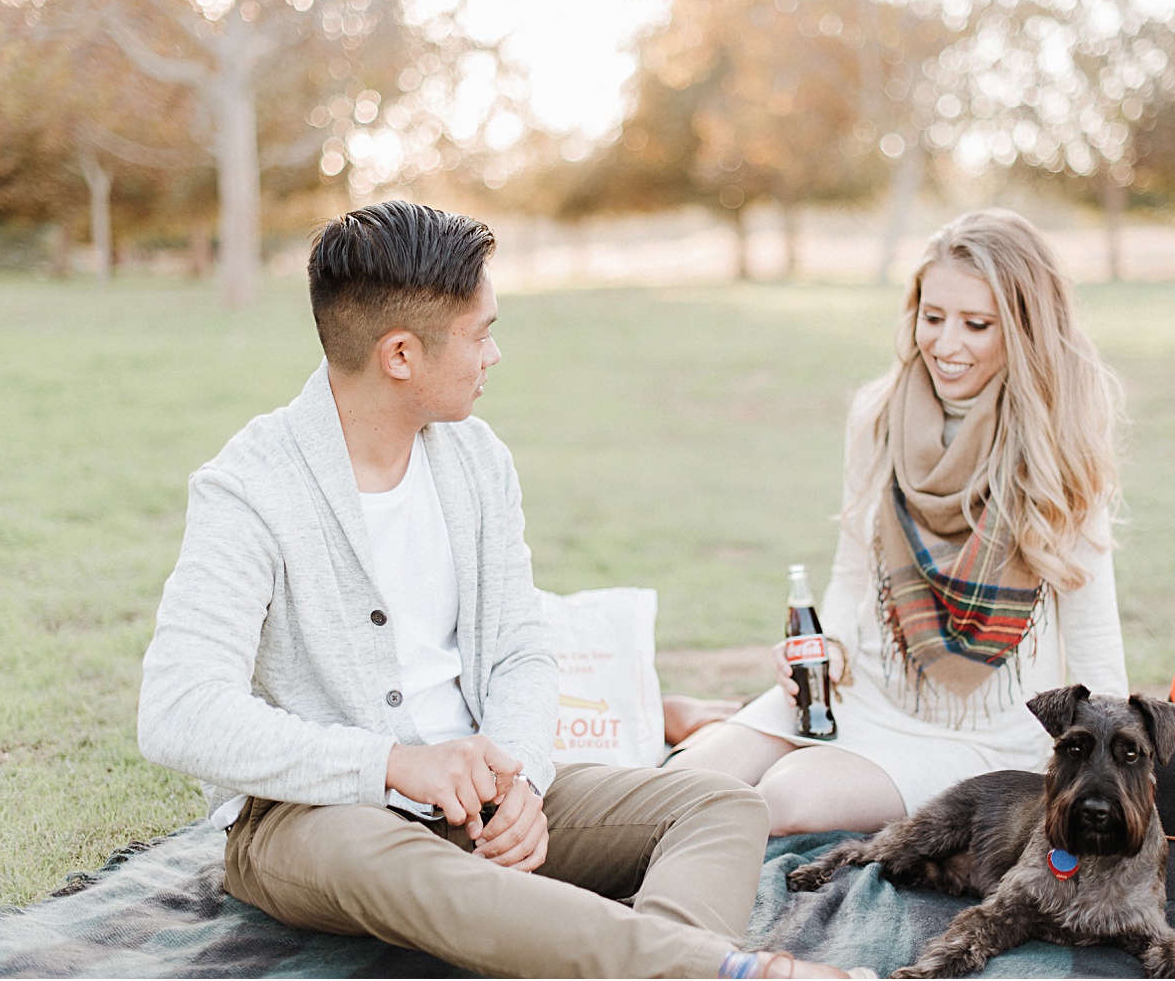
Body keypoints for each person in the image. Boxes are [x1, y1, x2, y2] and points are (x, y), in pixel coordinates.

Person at [138, 201, 869, 980]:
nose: (496, 354)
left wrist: (521, 772)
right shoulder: (249, 488)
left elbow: (523, 647)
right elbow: (178, 711)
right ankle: (717, 970)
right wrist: (388, 763)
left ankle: (663, 965)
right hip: (317, 819)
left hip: (480, 794)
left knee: (722, 803)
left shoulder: (479, 460)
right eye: (480, 332)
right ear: (399, 355)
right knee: (399, 862)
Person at [668, 209, 1130, 836]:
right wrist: (824, 647)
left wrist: (1109, 761)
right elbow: (854, 573)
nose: (945, 344)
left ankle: (715, 723)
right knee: (679, 785)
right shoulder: (878, 413)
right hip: (862, 691)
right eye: (932, 317)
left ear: (1023, 329)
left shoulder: (1058, 436)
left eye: (976, 325)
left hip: (986, 732)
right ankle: (707, 726)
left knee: (778, 800)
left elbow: (1092, 621)